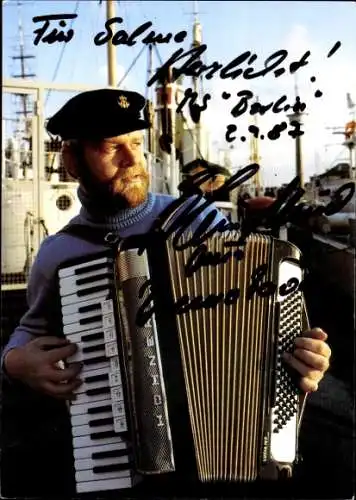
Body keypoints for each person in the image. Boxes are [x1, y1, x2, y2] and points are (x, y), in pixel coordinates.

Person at [1, 88, 331, 496]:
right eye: (111, 148)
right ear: (72, 160)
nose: (133, 160)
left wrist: (304, 359)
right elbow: (28, 328)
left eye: (137, 144)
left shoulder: (199, 221)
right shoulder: (59, 253)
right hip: (118, 457)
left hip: (224, 449)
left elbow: (262, 316)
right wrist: (14, 363)